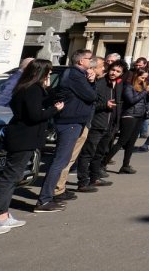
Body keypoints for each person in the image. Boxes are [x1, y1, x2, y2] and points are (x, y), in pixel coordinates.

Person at [0, 59, 63, 230]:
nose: (50, 75)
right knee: (8, 179)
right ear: (41, 73)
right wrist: (54, 110)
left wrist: (48, 89)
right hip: (23, 138)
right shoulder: (32, 89)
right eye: (48, 73)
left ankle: (2, 215)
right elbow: (35, 115)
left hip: (23, 138)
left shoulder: (28, 88)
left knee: (13, 179)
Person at [36, 49, 96, 211]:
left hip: (74, 121)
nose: (92, 62)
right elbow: (91, 96)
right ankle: (44, 199)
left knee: (63, 160)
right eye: (89, 59)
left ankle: (49, 195)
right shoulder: (75, 75)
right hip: (69, 122)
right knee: (59, 161)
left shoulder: (78, 75)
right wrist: (91, 82)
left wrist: (90, 81)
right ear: (80, 61)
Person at [76, 57, 119, 192]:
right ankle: (83, 181)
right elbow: (92, 104)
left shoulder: (112, 85)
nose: (107, 70)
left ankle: (94, 177)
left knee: (99, 153)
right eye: (103, 67)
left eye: (118, 71)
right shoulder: (98, 84)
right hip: (96, 124)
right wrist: (105, 105)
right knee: (87, 153)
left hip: (108, 125)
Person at [108, 67, 149, 173]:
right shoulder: (128, 86)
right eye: (142, 77)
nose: (144, 80)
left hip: (139, 115)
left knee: (131, 143)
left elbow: (144, 100)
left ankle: (125, 165)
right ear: (136, 76)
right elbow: (131, 100)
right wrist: (145, 92)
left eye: (146, 78)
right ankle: (102, 163)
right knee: (122, 141)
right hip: (129, 116)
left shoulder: (143, 85)